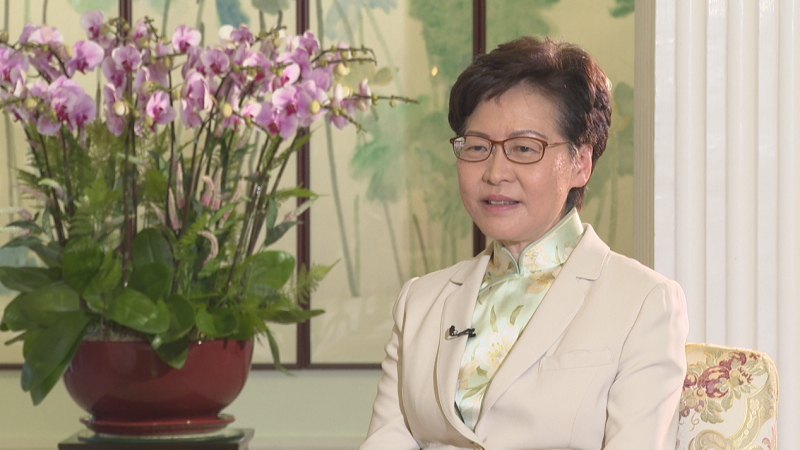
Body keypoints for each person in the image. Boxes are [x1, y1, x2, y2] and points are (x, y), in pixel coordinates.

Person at [359, 36, 689, 450]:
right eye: (477, 147)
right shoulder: (419, 303)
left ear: (580, 163)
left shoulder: (643, 303)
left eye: (523, 148)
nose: (495, 172)